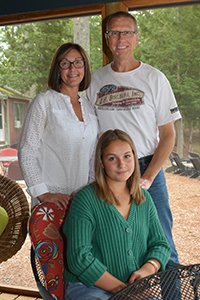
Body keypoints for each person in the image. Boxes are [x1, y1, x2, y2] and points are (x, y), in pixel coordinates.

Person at [87, 11, 182, 264]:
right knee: (114, 244)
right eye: (114, 33)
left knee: (161, 241)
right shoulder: (95, 80)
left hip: (146, 168)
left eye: (126, 32)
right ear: (107, 38)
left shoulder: (155, 78)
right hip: (109, 171)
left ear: (136, 37)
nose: (121, 38)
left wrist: (149, 176)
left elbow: (168, 134)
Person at [63, 129, 171, 300]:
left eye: (127, 156)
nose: (122, 164)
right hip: (89, 287)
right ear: (101, 162)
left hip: (135, 288)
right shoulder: (85, 199)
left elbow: (160, 244)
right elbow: (79, 258)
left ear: (134, 158)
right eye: (112, 158)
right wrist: (124, 291)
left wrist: (148, 268)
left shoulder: (144, 198)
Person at [19, 43, 98, 209]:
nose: (72, 68)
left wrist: (91, 191)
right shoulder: (44, 102)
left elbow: (92, 156)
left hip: (82, 201)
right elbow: (27, 152)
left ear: (85, 67)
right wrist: (44, 194)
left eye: (78, 62)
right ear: (57, 68)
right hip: (51, 202)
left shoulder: (89, 107)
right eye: (65, 63)